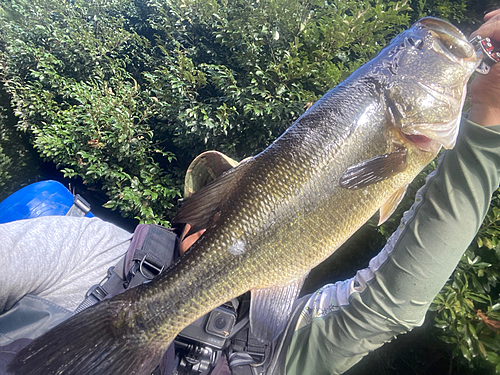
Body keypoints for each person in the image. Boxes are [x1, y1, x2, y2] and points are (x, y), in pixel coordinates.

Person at [2, 9, 500, 375]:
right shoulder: (80, 251)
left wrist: (487, 121)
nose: (230, 218)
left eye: (243, 194)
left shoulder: (285, 342)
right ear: (194, 209)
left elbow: (394, 302)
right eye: (221, 192)